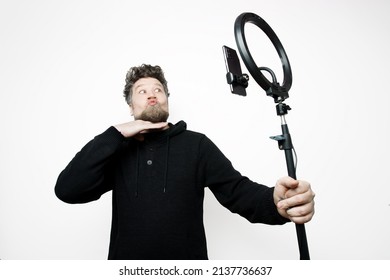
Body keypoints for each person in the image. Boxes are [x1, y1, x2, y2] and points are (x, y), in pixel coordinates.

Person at [55, 64, 315, 260]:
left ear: (167, 98)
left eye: (158, 89)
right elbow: (68, 189)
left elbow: (238, 192)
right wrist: (115, 134)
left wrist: (277, 201)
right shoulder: (117, 149)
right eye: (142, 91)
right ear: (131, 106)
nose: (151, 94)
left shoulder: (197, 145)